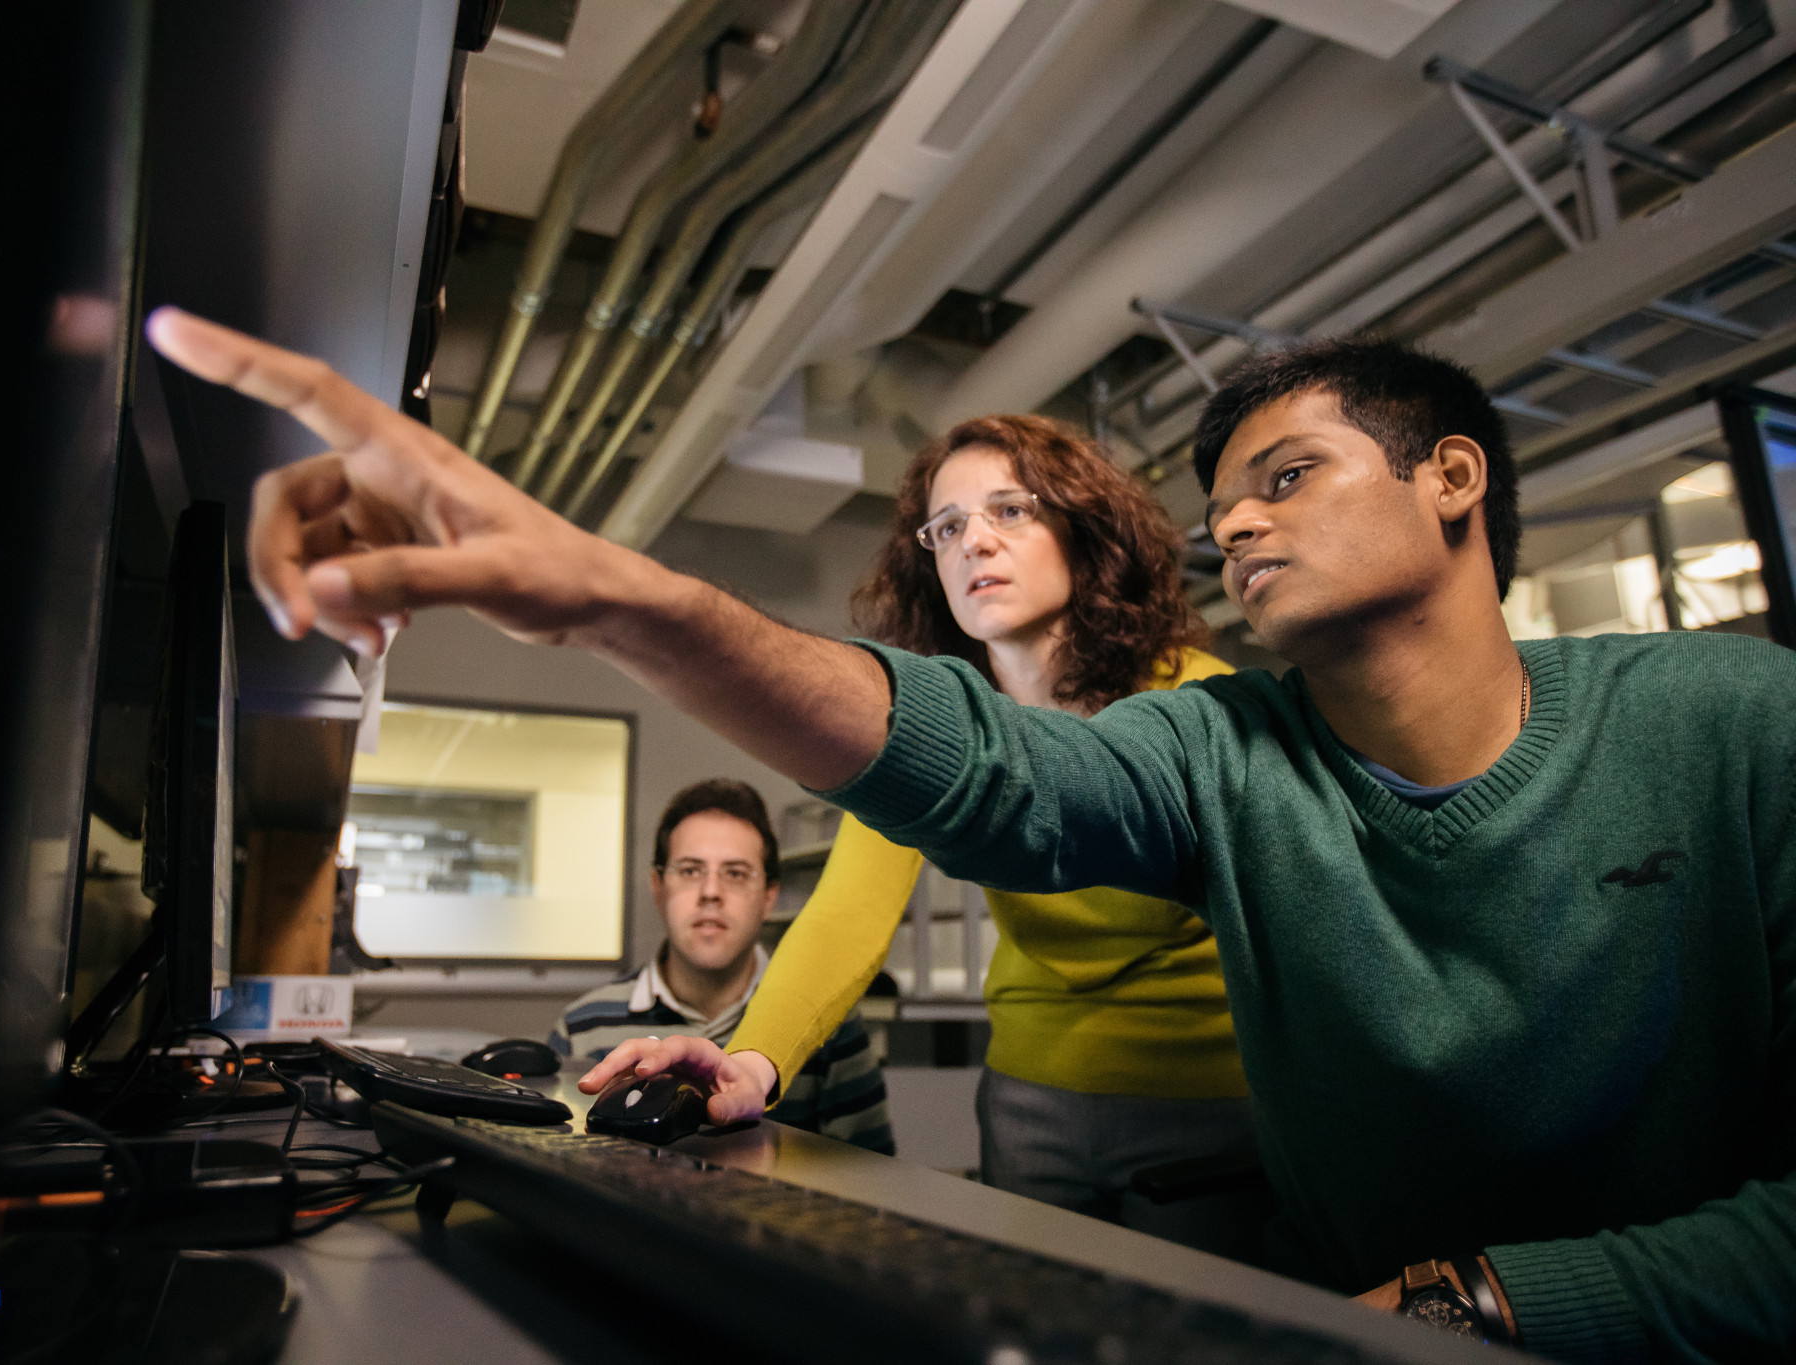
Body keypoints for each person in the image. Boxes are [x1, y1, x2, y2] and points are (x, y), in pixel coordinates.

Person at [146, 307, 1793, 1362]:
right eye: (945, 525)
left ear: (1450, 479)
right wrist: (617, 602)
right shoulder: (1203, 745)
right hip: (1140, 1154)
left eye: (1285, 476)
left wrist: (1483, 1298)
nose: (1234, 518)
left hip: (1258, 1147)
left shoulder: (1720, 724)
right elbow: (951, 801)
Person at [627, 414, 1261, 1255]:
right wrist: (753, 1061)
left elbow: (1285, 918)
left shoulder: (1200, 702)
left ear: (1083, 529)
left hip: (1210, 1102)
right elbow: (849, 910)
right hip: (1027, 1098)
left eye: (1010, 511)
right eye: (949, 526)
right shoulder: (941, 723)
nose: (975, 544)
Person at [547, 778, 893, 1153]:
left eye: (735, 873)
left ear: (769, 896)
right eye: (691, 870)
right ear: (658, 886)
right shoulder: (582, 1025)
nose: (711, 892)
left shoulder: (832, 1028)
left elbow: (872, 1177)